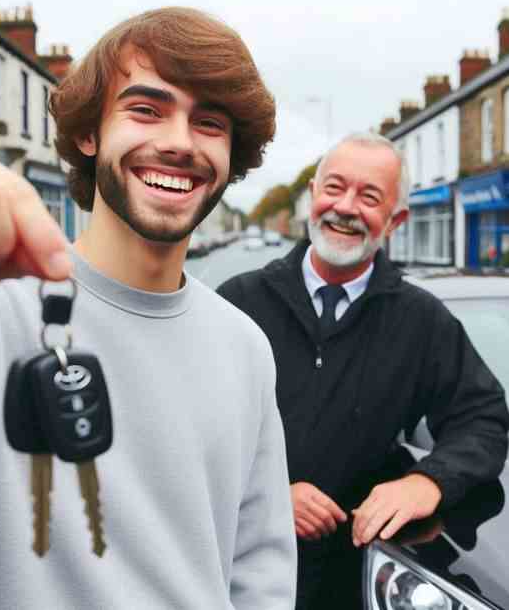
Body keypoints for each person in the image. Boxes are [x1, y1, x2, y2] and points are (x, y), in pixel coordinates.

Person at [0, 8, 297, 609]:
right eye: (146, 109)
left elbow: (259, 563)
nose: (179, 142)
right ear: (89, 133)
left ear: (231, 156)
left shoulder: (245, 344)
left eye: (209, 123)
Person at [217, 132, 509, 609]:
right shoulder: (238, 303)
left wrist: (428, 481)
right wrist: (265, 494)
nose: (346, 207)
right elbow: (186, 428)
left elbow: (483, 419)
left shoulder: (421, 321)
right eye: (334, 187)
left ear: (396, 220)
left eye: (369, 197)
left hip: (351, 584)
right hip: (237, 576)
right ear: (313, 195)